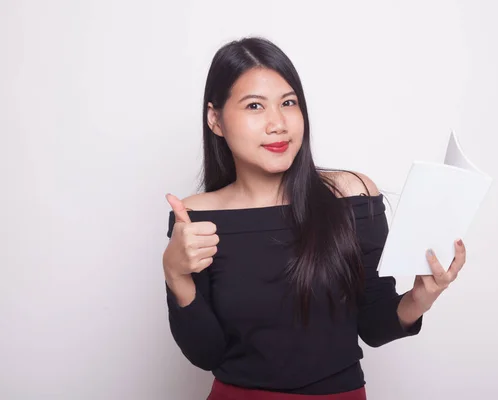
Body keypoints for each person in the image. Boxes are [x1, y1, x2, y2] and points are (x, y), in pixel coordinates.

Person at [162, 36, 466, 400]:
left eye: (288, 103)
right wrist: (176, 275)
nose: (278, 123)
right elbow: (205, 353)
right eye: (255, 106)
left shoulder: (351, 195)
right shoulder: (195, 218)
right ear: (216, 119)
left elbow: (374, 326)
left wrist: (419, 298)